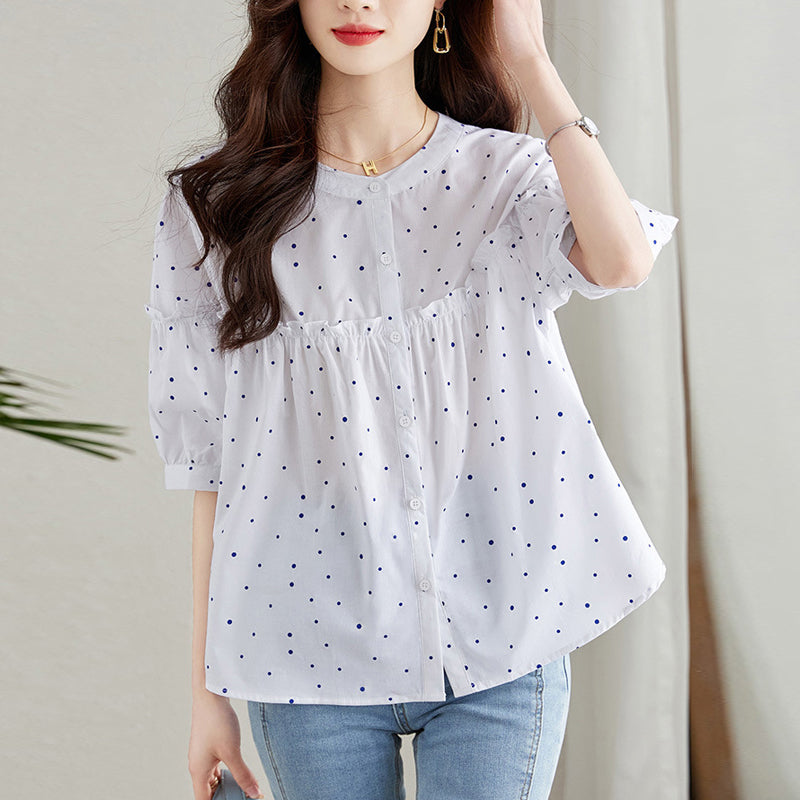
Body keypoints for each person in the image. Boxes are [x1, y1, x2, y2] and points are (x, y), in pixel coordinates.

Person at [144, 1, 678, 798]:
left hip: (502, 643)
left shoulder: (504, 178)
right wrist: (206, 695)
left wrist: (530, 60)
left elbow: (622, 261)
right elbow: (212, 472)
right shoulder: (213, 207)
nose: (360, 2)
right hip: (307, 660)